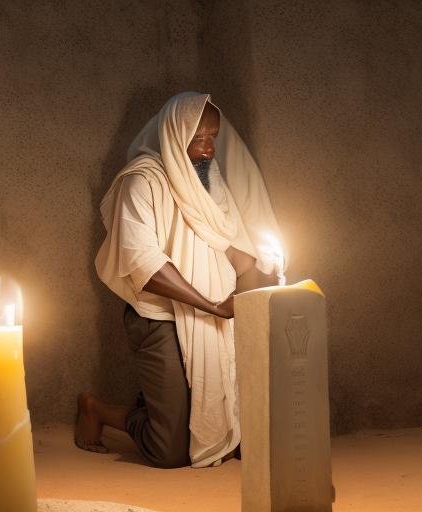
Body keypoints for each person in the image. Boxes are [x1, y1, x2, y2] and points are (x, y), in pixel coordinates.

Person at [80, 92, 284, 468]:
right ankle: (99, 410)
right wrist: (213, 306)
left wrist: (268, 279)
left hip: (214, 318)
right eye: (198, 138)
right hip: (159, 318)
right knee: (170, 451)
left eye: (212, 138)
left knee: (233, 429)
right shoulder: (141, 182)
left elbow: (232, 249)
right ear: (174, 133)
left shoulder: (210, 183)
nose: (207, 150)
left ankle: (159, 400)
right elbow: (145, 266)